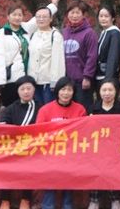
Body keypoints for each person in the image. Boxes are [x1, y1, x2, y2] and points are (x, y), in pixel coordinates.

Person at [0, 0, 59, 106]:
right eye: (14, 15)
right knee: (12, 106)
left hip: (26, 76)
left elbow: (40, 17)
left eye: (20, 15)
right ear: (8, 17)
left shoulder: (25, 28)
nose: (17, 17)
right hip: (10, 79)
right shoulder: (1, 34)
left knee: (25, 106)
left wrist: (53, 5)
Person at [37, 77, 87, 209]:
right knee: (49, 187)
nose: (66, 93)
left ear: (73, 92)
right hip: (50, 155)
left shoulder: (80, 109)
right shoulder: (45, 110)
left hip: (71, 155)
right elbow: (38, 133)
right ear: (57, 91)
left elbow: (83, 132)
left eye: (69, 90)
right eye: (63, 89)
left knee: (68, 189)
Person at [0, 76, 39, 209]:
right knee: (5, 163)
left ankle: (26, 199)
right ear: (18, 91)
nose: (26, 92)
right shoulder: (10, 108)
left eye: (29, 88)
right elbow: (0, 126)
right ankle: (4, 199)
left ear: (34, 90)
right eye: (22, 89)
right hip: (12, 147)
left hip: (33, 148)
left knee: (30, 165)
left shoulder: (40, 107)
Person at [89, 78, 120, 209]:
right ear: (99, 92)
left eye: (110, 90)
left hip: (117, 150)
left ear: (116, 91)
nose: (107, 93)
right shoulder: (93, 108)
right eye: (104, 90)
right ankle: (94, 200)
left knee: (113, 170)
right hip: (97, 150)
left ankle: (115, 200)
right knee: (95, 168)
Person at [63, 1, 98, 113]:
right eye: (72, 12)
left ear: (83, 15)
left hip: (82, 80)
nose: (74, 15)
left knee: (83, 110)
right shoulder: (64, 32)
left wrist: (87, 76)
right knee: (69, 110)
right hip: (67, 80)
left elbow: (92, 56)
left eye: (77, 13)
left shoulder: (89, 33)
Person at [27, 6, 65, 106]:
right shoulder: (33, 35)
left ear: (51, 19)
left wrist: (55, 82)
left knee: (48, 108)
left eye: (44, 17)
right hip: (33, 81)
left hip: (48, 82)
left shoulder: (55, 35)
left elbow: (58, 61)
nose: (41, 19)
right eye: (38, 17)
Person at [95, 6, 120, 94]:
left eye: (106, 16)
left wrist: (108, 79)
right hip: (100, 75)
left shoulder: (115, 34)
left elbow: (113, 58)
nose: (103, 19)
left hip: (108, 77)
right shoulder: (104, 32)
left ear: (113, 18)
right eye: (101, 16)